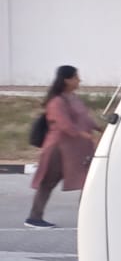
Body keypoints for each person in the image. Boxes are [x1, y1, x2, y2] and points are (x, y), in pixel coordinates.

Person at [27, 65, 100, 228]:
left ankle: (88, 217)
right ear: (67, 80)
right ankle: (34, 218)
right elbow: (64, 124)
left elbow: (85, 118)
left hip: (76, 150)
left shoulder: (73, 97)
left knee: (88, 181)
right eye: (76, 77)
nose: (79, 80)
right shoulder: (56, 101)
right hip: (58, 150)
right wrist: (84, 134)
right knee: (47, 182)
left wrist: (100, 127)